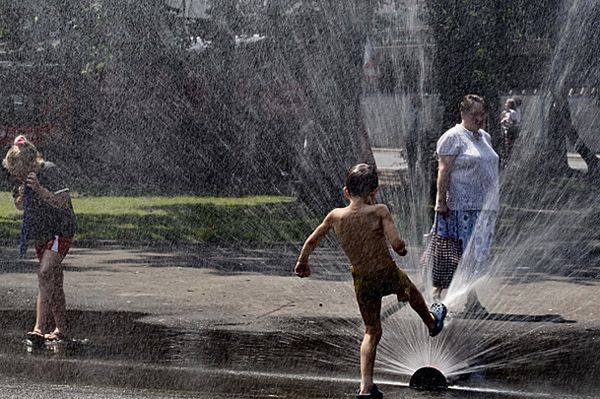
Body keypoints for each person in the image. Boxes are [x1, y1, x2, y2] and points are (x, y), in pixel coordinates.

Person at [295, 163, 446, 399]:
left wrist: (303, 261)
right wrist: (402, 249)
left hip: (363, 280)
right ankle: (431, 322)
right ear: (374, 191)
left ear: (346, 191)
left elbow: (312, 240)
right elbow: (396, 243)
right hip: (387, 273)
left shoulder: (335, 216)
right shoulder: (379, 211)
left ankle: (366, 387)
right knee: (414, 294)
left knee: (371, 331)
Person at [2, 135, 76, 345]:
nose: (17, 176)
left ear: (31, 163)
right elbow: (18, 205)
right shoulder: (19, 179)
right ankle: (61, 329)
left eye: (20, 172)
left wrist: (39, 189)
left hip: (60, 230)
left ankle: (38, 329)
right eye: (14, 173)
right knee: (54, 282)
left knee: (44, 274)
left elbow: (63, 203)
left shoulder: (49, 172)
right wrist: (23, 196)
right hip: (40, 233)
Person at [431, 94, 499, 314]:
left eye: (482, 114)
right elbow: (444, 171)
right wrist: (441, 201)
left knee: (477, 257)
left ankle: (470, 300)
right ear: (463, 114)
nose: (480, 118)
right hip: (460, 208)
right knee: (454, 256)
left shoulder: (484, 137)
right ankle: (437, 297)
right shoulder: (453, 137)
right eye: (475, 114)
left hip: (484, 207)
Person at [500, 97, 521, 167]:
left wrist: (509, 123)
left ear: (510, 105)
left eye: (507, 103)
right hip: (505, 131)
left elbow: (515, 122)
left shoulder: (513, 112)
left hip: (510, 132)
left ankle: (509, 160)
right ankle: (505, 160)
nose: (505, 104)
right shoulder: (505, 112)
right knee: (505, 146)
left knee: (509, 146)